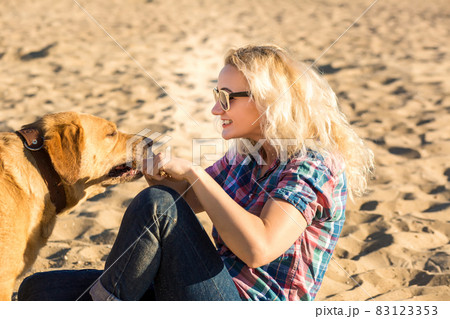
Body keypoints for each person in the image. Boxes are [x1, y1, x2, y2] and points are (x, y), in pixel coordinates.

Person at [18, 44, 374, 301]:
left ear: (269, 99)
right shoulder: (249, 155)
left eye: (226, 97)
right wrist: (157, 171)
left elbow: (259, 248)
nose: (215, 108)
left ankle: (104, 305)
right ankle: (109, 301)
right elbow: (187, 200)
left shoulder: (313, 164)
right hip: (203, 288)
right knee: (39, 291)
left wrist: (192, 173)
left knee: (156, 205)